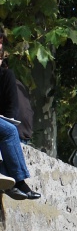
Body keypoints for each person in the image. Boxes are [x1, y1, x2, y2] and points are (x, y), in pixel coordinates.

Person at [0, 32, 40, 200]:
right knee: (8, 131)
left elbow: (13, 109)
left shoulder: (6, 75)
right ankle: (19, 182)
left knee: (7, 130)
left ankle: (8, 180)